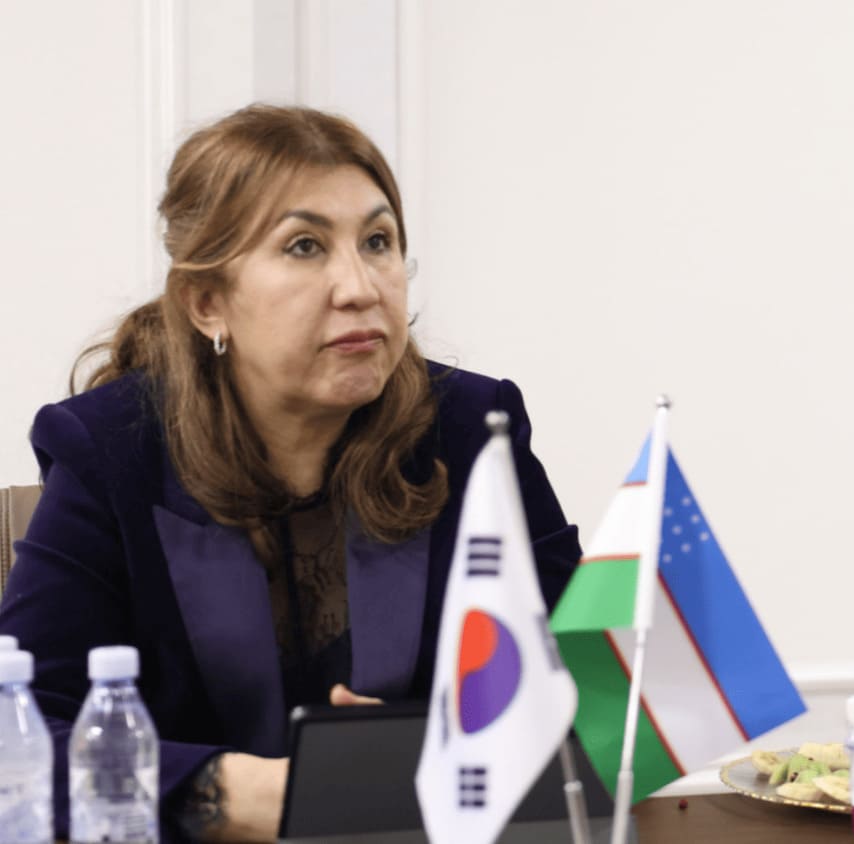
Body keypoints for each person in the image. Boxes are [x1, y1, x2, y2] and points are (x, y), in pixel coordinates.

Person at [0, 105, 582, 841]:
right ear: (208, 302)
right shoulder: (112, 451)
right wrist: (226, 792)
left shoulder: (472, 429)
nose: (360, 287)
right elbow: (19, 734)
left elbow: (586, 688)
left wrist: (430, 747)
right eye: (305, 246)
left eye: (378, 242)